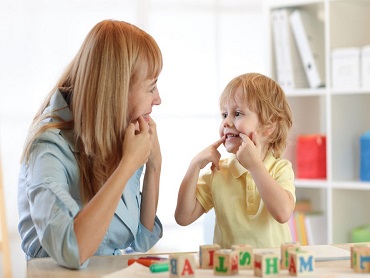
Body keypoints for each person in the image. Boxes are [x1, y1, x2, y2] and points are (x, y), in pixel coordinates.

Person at [17, 19, 163, 269]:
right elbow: (72, 249)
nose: (158, 99)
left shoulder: (117, 134)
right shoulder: (48, 148)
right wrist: (127, 165)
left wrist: (154, 166)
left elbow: (140, 238)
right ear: (117, 91)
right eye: (151, 88)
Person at [175, 72, 295, 249]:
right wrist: (194, 166)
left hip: (272, 271)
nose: (226, 122)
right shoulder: (218, 172)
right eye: (224, 115)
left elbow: (283, 213)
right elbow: (183, 217)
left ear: (269, 125)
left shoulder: (280, 168)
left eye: (237, 114)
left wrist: (254, 166)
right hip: (229, 271)